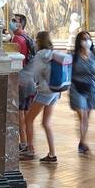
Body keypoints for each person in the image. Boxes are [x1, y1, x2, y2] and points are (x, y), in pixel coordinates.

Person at [20, 31, 67, 163]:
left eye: (36, 40)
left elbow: (31, 71)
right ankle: (52, 154)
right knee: (46, 123)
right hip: (55, 92)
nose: (34, 42)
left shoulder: (41, 55)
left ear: (39, 41)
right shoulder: (53, 53)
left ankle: (30, 150)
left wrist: (19, 79)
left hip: (45, 92)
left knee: (28, 120)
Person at [68, 30, 95, 155]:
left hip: (91, 88)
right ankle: (82, 142)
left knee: (86, 118)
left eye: (88, 38)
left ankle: (82, 141)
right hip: (76, 87)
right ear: (79, 41)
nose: (86, 41)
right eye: (84, 39)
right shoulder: (73, 56)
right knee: (82, 115)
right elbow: (68, 73)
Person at [10, 14, 36, 154]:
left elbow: (14, 62)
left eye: (14, 21)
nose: (11, 23)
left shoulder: (17, 39)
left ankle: (23, 142)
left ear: (21, 24)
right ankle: (29, 143)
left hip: (21, 79)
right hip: (30, 79)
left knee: (20, 112)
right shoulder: (27, 37)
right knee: (27, 113)